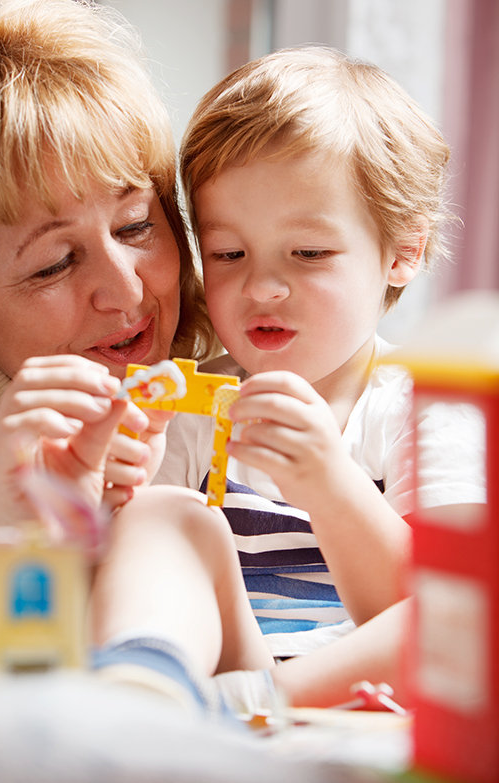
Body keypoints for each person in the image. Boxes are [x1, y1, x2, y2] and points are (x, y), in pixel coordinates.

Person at [150, 46, 486, 705]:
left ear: (403, 252)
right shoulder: (194, 405)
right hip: (220, 676)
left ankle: (250, 701)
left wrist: (329, 483)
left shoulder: (422, 408)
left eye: (308, 253)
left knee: (473, 599)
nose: (263, 285)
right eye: (228, 253)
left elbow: (442, 614)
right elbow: (146, 573)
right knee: (154, 522)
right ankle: (148, 691)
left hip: (338, 692)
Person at [0, 0, 216, 651]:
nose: (128, 288)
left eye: (135, 225)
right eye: (53, 264)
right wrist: (34, 542)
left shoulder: (240, 376)